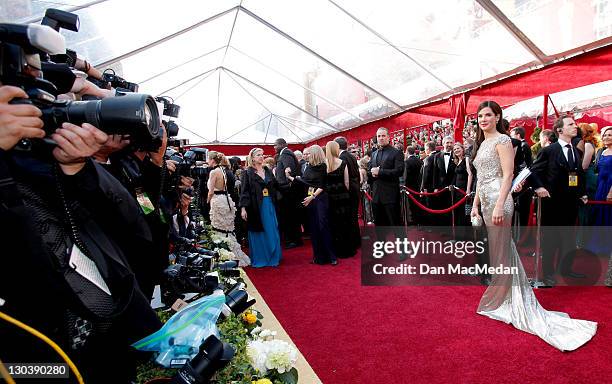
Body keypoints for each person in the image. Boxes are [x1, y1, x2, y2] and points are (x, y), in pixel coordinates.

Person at [471, 100, 596, 351]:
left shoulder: (503, 141)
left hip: (499, 201)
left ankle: (511, 300)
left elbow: (507, 175)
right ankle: (504, 297)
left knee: (503, 249)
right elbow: (480, 179)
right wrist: (475, 204)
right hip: (485, 200)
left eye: (487, 115)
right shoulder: (482, 143)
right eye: (479, 116)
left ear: (497, 117)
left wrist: (498, 205)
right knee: (498, 251)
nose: (483, 119)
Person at [530, 116, 588, 284]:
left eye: (574, 124)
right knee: (551, 240)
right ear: (560, 130)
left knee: (569, 239)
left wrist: (582, 192)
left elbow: (579, 175)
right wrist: (539, 187)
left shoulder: (576, 151)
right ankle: (548, 273)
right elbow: (534, 171)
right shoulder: (549, 150)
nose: (575, 126)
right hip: (552, 203)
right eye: (570, 124)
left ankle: (566, 269)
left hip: (571, 203)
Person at [286, 145, 337, 265]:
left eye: (308, 153)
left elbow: (322, 185)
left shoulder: (323, 166)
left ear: (315, 154)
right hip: (311, 200)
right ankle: (318, 257)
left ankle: (331, 256)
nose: (306, 156)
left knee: (323, 227)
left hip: (320, 199)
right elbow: (304, 182)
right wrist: (289, 177)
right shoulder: (308, 168)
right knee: (313, 229)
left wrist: (312, 196)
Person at [240, 148, 282, 267]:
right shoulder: (247, 173)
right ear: (252, 158)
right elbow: (244, 191)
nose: (261, 157)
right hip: (255, 207)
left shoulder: (267, 170)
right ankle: (262, 257)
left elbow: (276, 186)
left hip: (269, 204)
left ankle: (274, 255)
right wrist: (243, 208)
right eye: (258, 155)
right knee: (259, 230)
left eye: (262, 155)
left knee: (271, 229)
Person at [207, 151, 250, 266]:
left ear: (212, 160)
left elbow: (210, 191)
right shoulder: (227, 171)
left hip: (217, 201)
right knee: (228, 229)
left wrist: (207, 201)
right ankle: (232, 254)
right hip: (227, 200)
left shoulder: (214, 172)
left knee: (218, 229)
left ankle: (224, 255)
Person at [368, 127, 404, 228]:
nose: (381, 138)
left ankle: (402, 244)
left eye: (383, 136)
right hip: (376, 196)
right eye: (379, 136)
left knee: (396, 226)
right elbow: (369, 171)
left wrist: (380, 172)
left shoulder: (396, 153)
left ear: (389, 137)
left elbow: (399, 171)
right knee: (379, 227)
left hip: (391, 196)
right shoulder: (374, 154)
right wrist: (371, 173)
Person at [325, 141, 354, 258]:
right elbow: (346, 182)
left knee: (333, 223)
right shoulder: (343, 163)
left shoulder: (324, 164)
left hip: (330, 197)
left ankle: (335, 249)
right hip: (343, 196)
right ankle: (346, 249)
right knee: (344, 222)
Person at [273, 138, 303, 248]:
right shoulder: (286, 153)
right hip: (287, 191)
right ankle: (294, 239)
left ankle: (293, 240)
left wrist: (285, 185)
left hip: (287, 192)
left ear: (282, 145)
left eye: (275, 145)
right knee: (290, 216)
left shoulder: (285, 153)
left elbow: (290, 171)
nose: (274, 147)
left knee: (290, 217)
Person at [335, 136, 361, 253]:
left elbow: (345, 179)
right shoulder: (351, 156)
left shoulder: (341, 158)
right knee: (353, 217)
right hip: (355, 189)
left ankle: (353, 242)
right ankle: (357, 240)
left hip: (348, 191)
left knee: (349, 218)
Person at [403, 145, 423, 225]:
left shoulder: (407, 162)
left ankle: (414, 221)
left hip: (410, 186)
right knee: (418, 203)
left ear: (407, 152)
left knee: (412, 204)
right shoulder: (419, 160)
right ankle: (419, 220)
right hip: (418, 185)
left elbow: (406, 175)